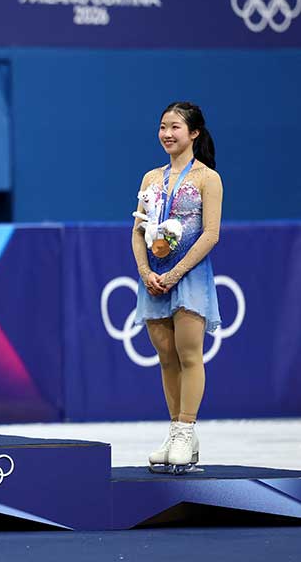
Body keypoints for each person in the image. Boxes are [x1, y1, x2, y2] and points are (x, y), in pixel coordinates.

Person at [132, 102, 222, 473]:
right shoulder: (151, 178)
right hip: (154, 279)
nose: (167, 134)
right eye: (163, 127)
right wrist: (145, 272)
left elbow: (211, 234)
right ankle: (175, 432)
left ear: (194, 133)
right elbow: (137, 231)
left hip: (190, 276)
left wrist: (176, 273)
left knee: (189, 355)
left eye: (175, 127)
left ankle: (187, 429)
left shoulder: (207, 178)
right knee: (166, 357)